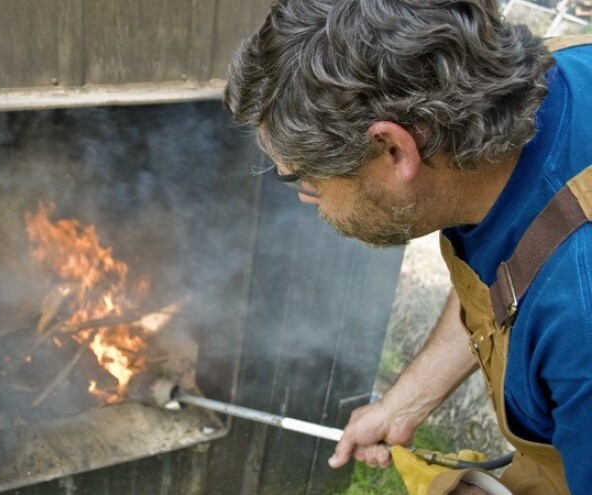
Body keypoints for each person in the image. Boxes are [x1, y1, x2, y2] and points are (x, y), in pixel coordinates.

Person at [225, 0, 592, 494]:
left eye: (303, 177)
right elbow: (505, 270)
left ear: (395, 149)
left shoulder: (580, 318)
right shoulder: (544, 84)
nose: (306, 196)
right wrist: (408, 402)